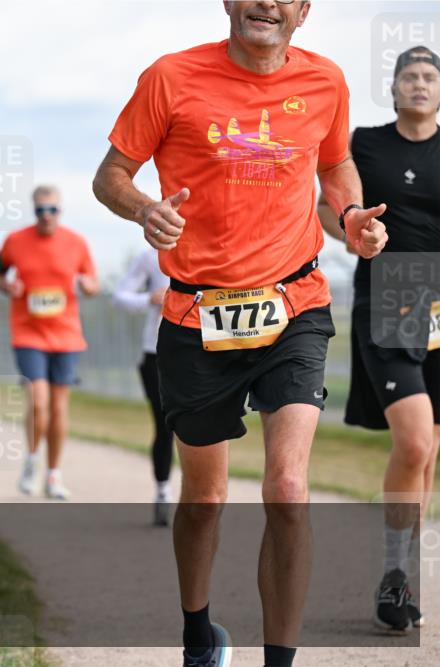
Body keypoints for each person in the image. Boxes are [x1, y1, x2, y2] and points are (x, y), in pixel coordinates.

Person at [91, 2, 388, 665]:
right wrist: (146, 210)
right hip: (198, 315)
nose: (267, 3)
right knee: (206, 497)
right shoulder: (170, 77)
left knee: (287, 487)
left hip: (294, 304)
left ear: (303, 11)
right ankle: (199, 632)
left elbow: (334, 167)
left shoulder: (326, 81)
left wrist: (350, 215)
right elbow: (110, 176)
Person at [317, 45, 440, 634]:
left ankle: (406, 575)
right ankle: (395, 572)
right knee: (414, 444)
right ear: (393, 90)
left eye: (429, 76)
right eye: (409, 77)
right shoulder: (364, 143)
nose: (419, 84)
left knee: (431, 449)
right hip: (393, 291)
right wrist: (350, 226)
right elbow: (326, 201)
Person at [0, 185, 99, 501]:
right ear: (33, 210)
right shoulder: (15, 241)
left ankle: (53, 475)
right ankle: (32, 459)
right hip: (27, 332)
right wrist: (7, 286)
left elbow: (92, 282)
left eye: (52, 209)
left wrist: (89, 286)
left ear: (60, 211)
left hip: (66, 334)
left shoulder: (76, 243)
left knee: (59, 406)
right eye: (40, 210)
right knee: (38, 402)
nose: (46, 216)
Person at [114, 248, 174, 526]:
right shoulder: (152, 256)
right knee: (165, 426)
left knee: (200, 428)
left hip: (205, 351)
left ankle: (201, 500)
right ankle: (163, 492)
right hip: (156, 353)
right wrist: (149, 299)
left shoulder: (214, 247)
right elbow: (120, 297)